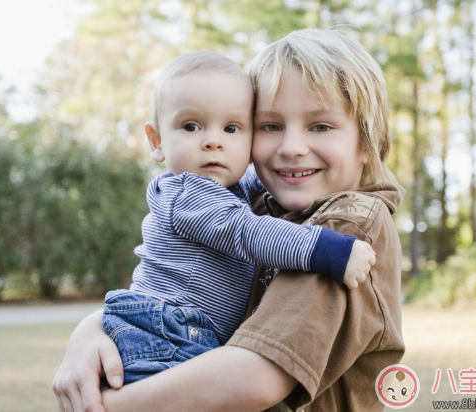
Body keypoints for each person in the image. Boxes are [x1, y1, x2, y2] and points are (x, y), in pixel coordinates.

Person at [53, 27, 405, 412]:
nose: (290, 148)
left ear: (368, 142)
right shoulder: (256, 205)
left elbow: (254, 377)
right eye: (270, 126)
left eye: (320, 126)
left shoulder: (347, 226)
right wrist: (90, 331)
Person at [102, 50, 374, 384]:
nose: (214, 141)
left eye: (232, 128)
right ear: (157, 142)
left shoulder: (234, 188)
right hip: (164, 333)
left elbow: (270, 179)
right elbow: (245, 231)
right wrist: (330, 250)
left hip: (186, 334)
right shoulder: (187, 194)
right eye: (191, 126)